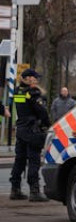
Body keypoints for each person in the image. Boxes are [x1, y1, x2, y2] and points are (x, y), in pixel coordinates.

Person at [9, 68, 50, 202]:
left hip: (20, 129)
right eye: (34, 77)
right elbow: (42, 112)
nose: (36, 80)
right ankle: (34, 191)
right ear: (27, 79)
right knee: (34, 160)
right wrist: (47, 125)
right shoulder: (33, 93)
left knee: (19, 160)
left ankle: (15, 189)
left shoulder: (17, 91)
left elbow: (23, 107)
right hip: (32, 130)